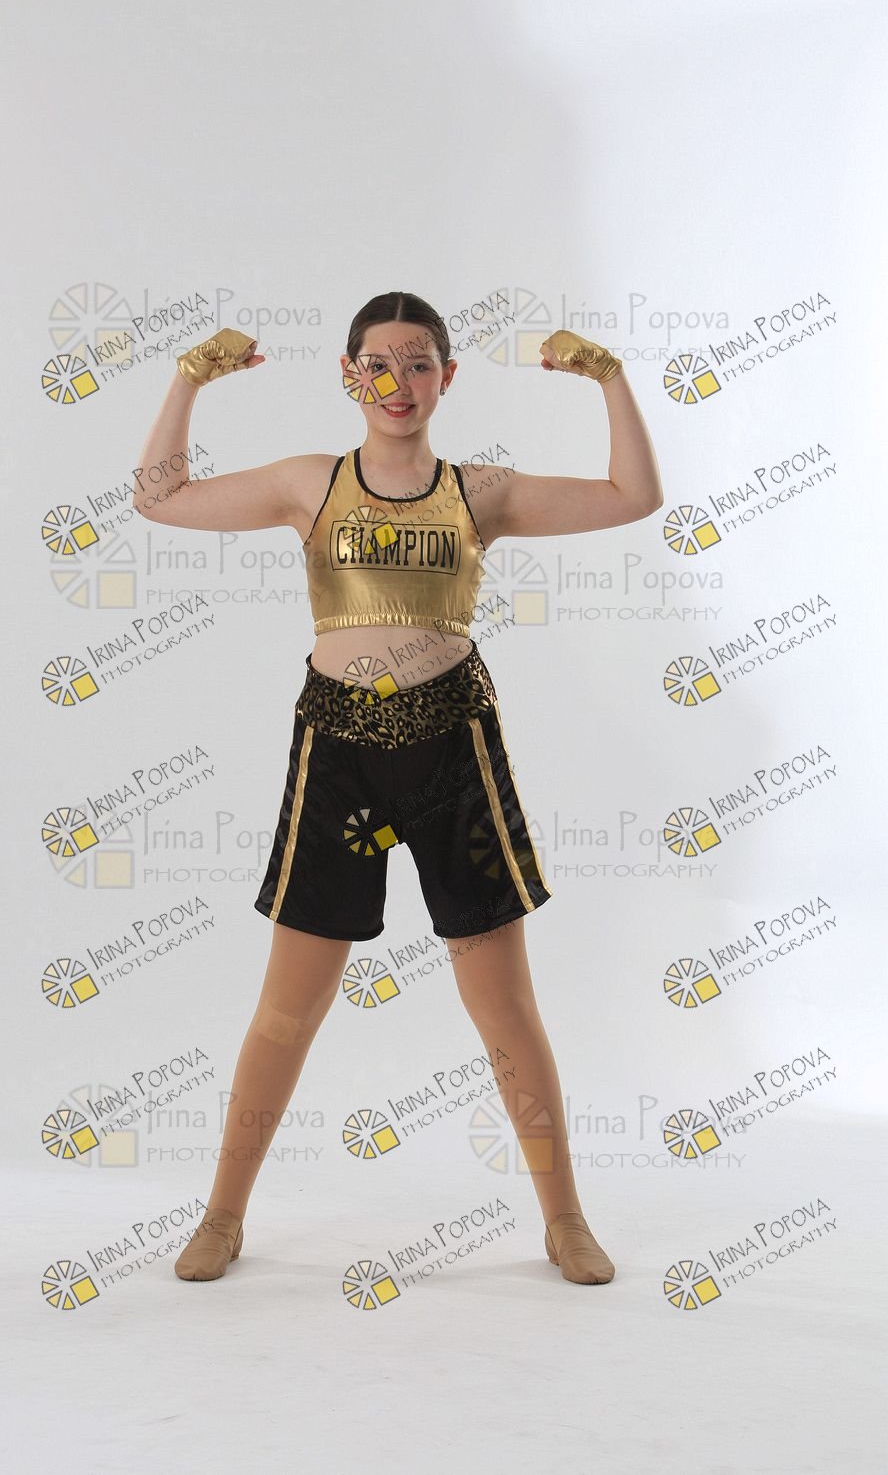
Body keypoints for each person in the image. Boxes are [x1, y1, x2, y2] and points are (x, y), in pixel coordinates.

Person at [132, 290, 663, 1286]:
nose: (398, 382)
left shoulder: (481, 492)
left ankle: (564, 1219)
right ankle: (222, 1215)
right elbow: (159, 497)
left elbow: (633, 495)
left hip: (453, 749)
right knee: (287, 1010)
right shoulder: (308, 483)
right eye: (378, 364)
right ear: (349, 375)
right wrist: (189, 379)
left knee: (504, 1007)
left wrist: (610, 378)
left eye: (419, 364)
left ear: (445, 378)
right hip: (338, 751)